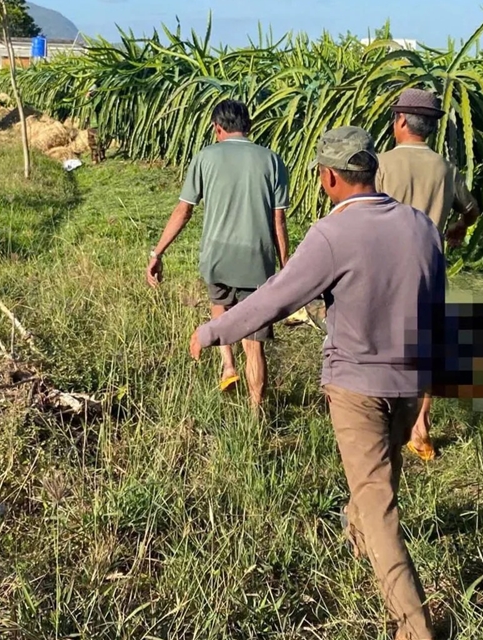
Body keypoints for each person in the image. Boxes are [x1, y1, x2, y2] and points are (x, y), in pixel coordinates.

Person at [190, 127, 445, 640]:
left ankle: (413, 627)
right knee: (380, 479)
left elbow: (275, 298)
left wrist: (215, 329)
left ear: (329, 177)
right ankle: (359, 541)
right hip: (409, 379)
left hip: (357, 385)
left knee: (377, 501)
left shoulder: (333, 233)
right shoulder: (421, 227)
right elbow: (436, 307)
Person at [146, 99, 290, 409]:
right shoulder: (272, 160)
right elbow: (279, 220)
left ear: (217, 128)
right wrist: (286, 268)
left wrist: (157, 252)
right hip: (257, 260)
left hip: (217, 257)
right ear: (247, 126)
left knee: (219, 306)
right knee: (254, 344)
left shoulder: (204, 158)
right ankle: (255, 412)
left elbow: (184, 211)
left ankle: (227, 365)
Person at [376, 87, 483, 463]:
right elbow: (472, 210)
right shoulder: (445, 168)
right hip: (430, 268)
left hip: (385, 269)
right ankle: (420, 426)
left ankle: (385, 417)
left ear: (401, 121)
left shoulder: (382, 165)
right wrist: (457, 228)